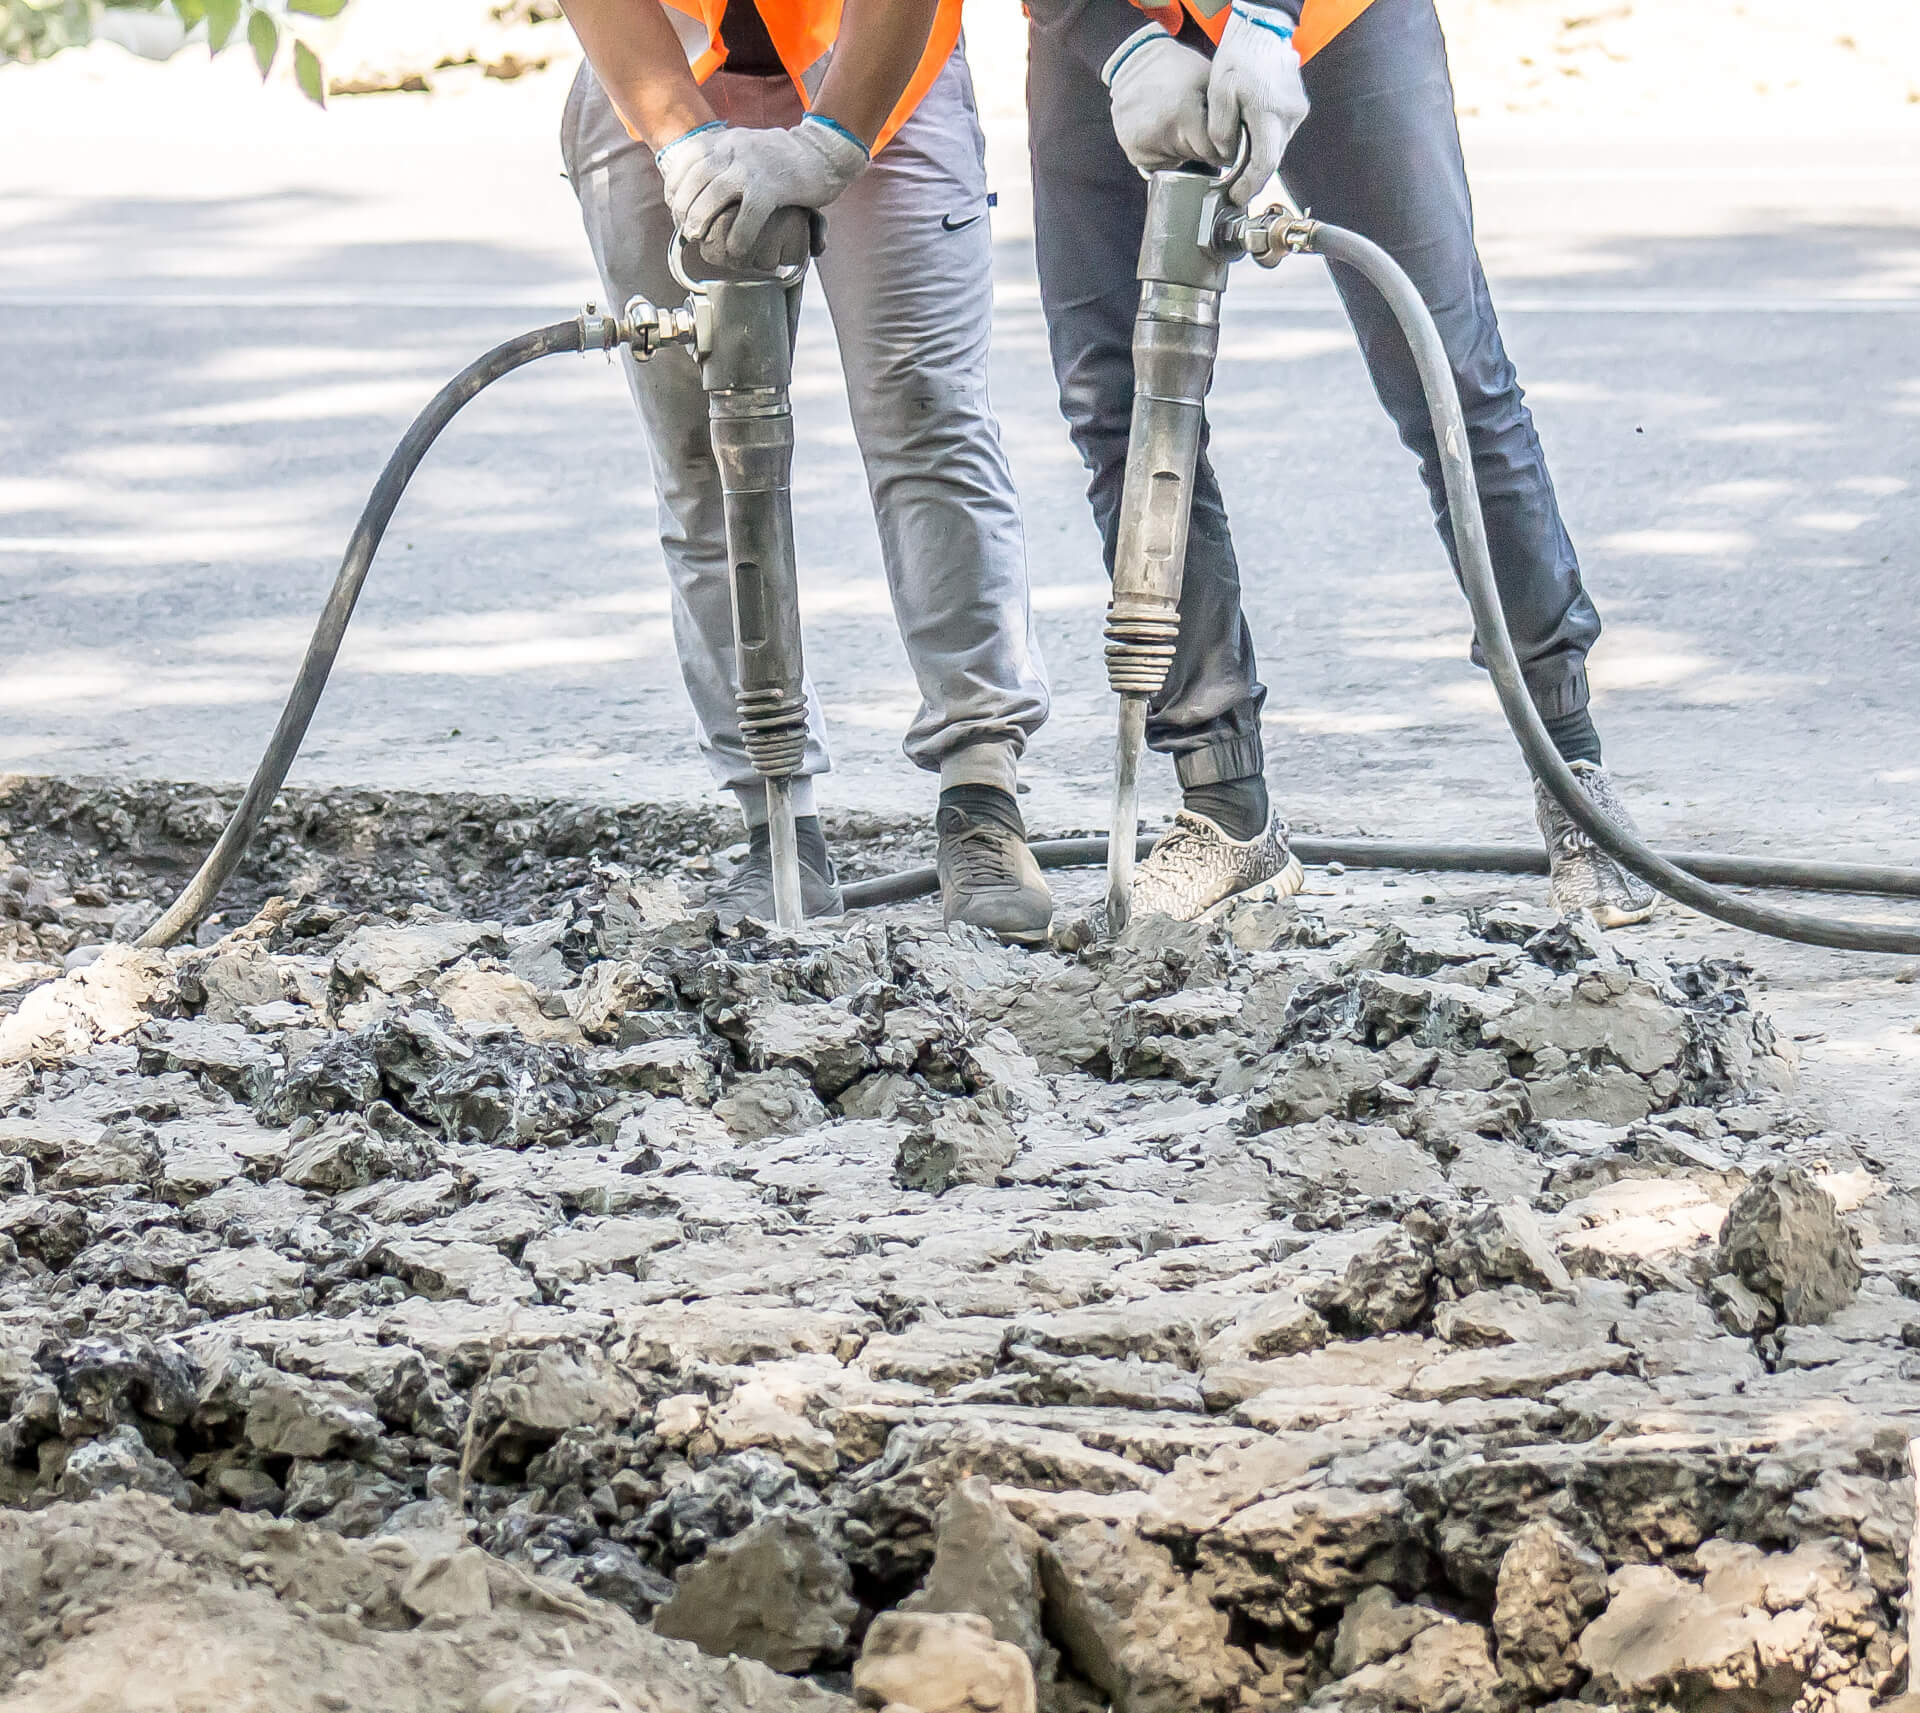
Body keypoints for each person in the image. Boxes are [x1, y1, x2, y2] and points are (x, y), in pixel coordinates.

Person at [1025, 0, 1658, 927]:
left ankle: (1573, 774)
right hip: (1117, 23)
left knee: (1447, 374)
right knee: (1122, 403)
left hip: (1332, 20)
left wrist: (1263, 17)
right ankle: (1225, 808)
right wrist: (1110, 43)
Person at [558, 0, 1056, 942]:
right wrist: (677, 137)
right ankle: (776, 821)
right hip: (660, 57)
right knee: (707, 456)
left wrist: (835, 140)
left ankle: (982, 795)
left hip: (879, 55)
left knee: (927, 417)